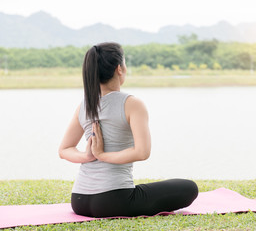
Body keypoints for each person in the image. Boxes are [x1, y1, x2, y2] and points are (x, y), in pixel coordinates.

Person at [58, 42, 198, 218]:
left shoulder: (85, 105)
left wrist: (87, 157)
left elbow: (64, 150)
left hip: (79, 200)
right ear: (119, 69)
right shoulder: (132, 104)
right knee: (189, 188)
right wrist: (101, 155)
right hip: (114, 201)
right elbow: (142, 152)